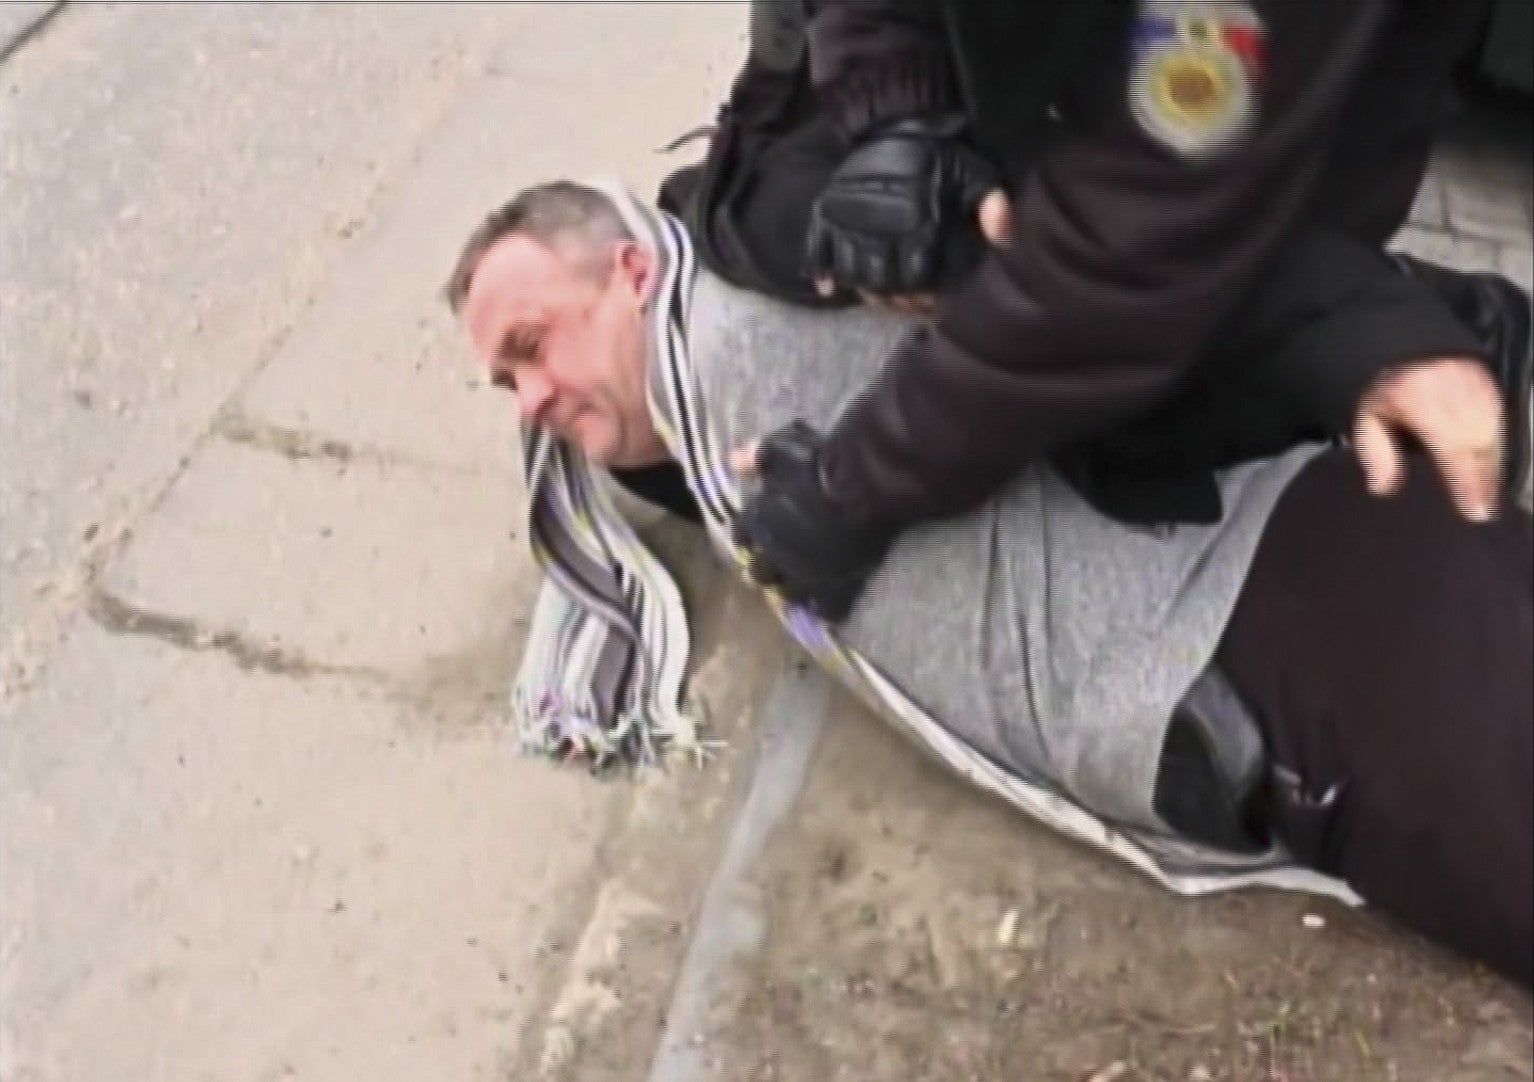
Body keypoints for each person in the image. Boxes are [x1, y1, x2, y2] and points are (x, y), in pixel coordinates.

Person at [442, 179, 1532, 987]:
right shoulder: (704, 397)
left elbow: (1031, 296)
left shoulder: (745, 320)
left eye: (533, 345)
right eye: (507, 381)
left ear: (637, 271)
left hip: (1289, 626)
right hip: (1288, 606)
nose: (530, 399)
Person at [660, 0, 1533, 621]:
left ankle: (1394, 321)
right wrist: (899, 117)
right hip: (1062, 80)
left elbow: (1136, 238)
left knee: (1133, 402)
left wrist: (849, 488)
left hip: (1264, 127)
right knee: (793, 219)